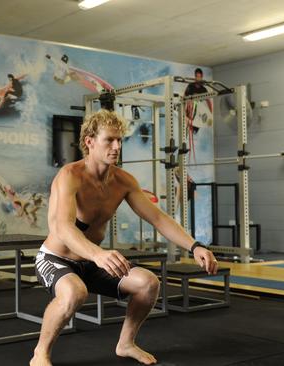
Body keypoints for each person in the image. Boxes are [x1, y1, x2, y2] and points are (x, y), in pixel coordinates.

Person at [30, 109, 218, 366]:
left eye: (120, 140)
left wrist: (195, 246)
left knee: (148, 283)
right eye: (110, 140)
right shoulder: (69, 176)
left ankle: (126, 343)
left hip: (91, 261)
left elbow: (158, 218)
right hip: (56, 258)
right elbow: (62, 227)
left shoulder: (123, 180)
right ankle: (41, 353)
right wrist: (98, 254)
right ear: (89, 142)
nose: (117, 146)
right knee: (74, 293)